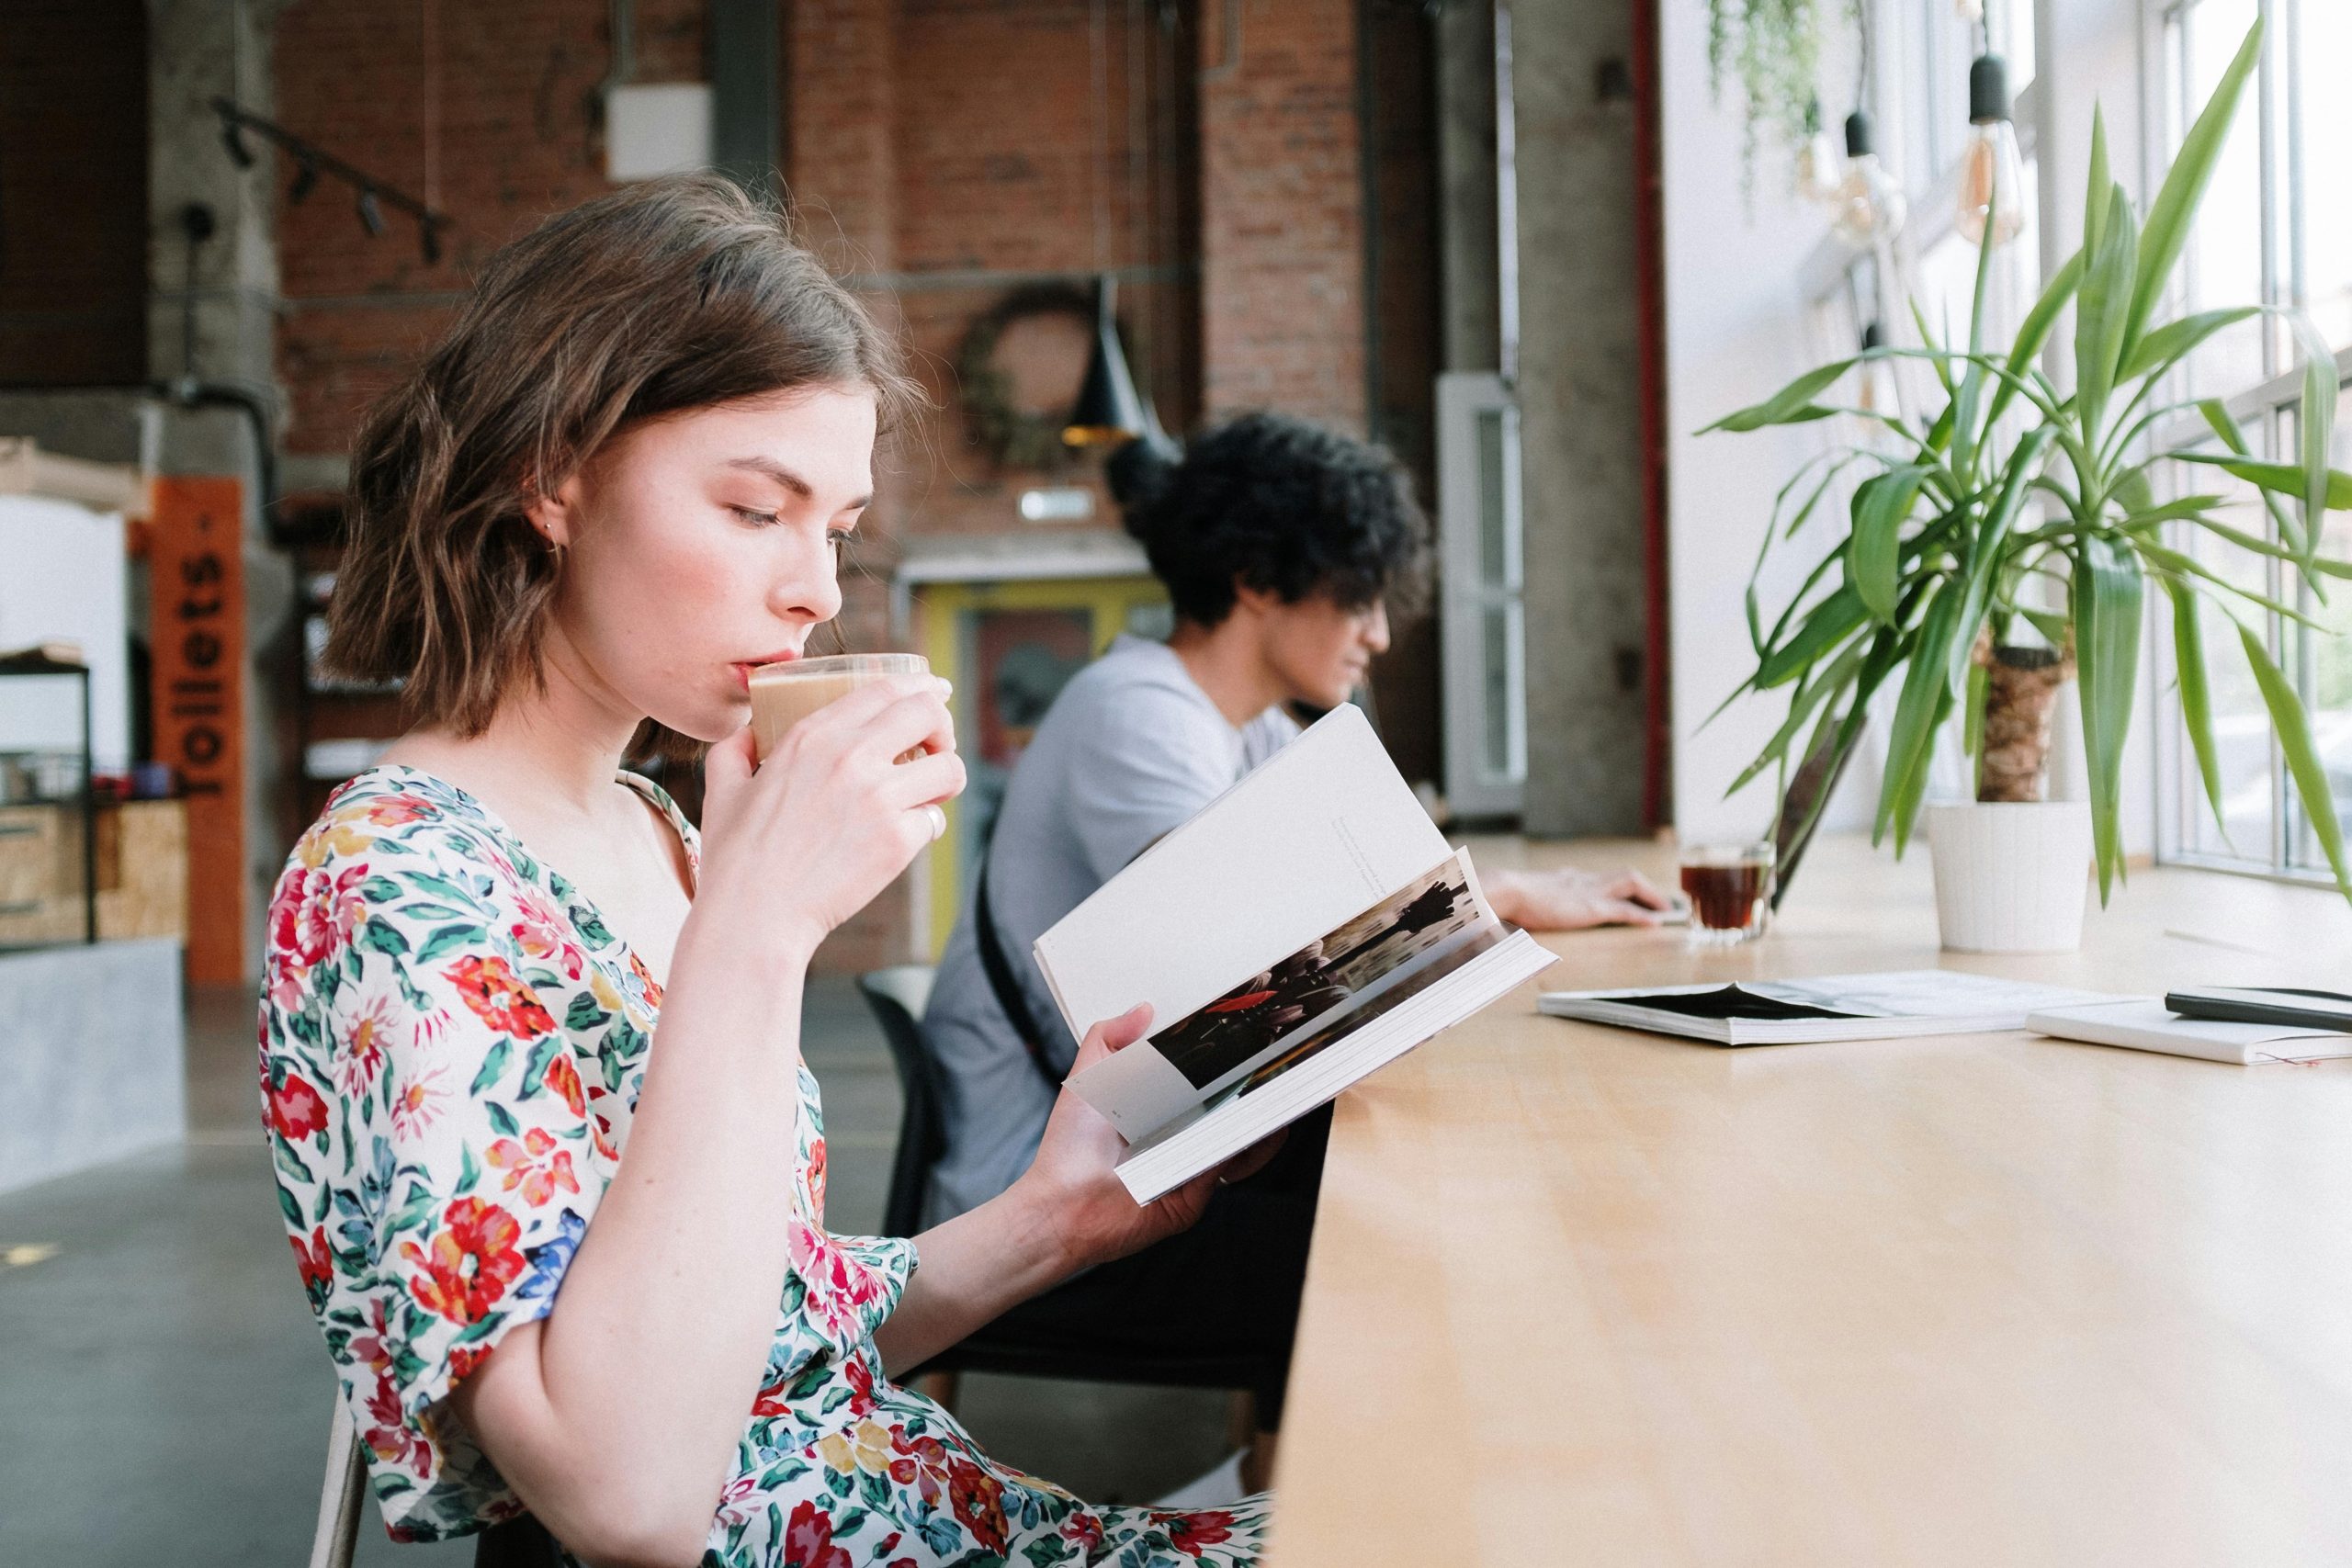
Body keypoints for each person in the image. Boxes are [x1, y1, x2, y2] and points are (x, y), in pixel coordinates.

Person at [255, 176, 1272, 1568]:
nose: (818, 589)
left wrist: (1056, 1221)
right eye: (755, 509)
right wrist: (761, 921)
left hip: (928, 1509)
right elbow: (629, 1493)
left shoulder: (653, 828)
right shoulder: (395, 881)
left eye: (836, 529)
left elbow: (756, 1333)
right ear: (552, 473)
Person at [919, 412, 1673, 1494]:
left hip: (1135, 1158)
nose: (1377, 632)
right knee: (1402, 1251)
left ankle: (1278, 1495)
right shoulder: (1135, 713)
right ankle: (1301, 1511)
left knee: (1403, 1203)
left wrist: (1485, 901)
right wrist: (1495, 897)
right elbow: (1254, 961)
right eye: (1357, 595)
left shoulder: (1252, 727)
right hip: (1036, 1197)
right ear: (1259, 578)